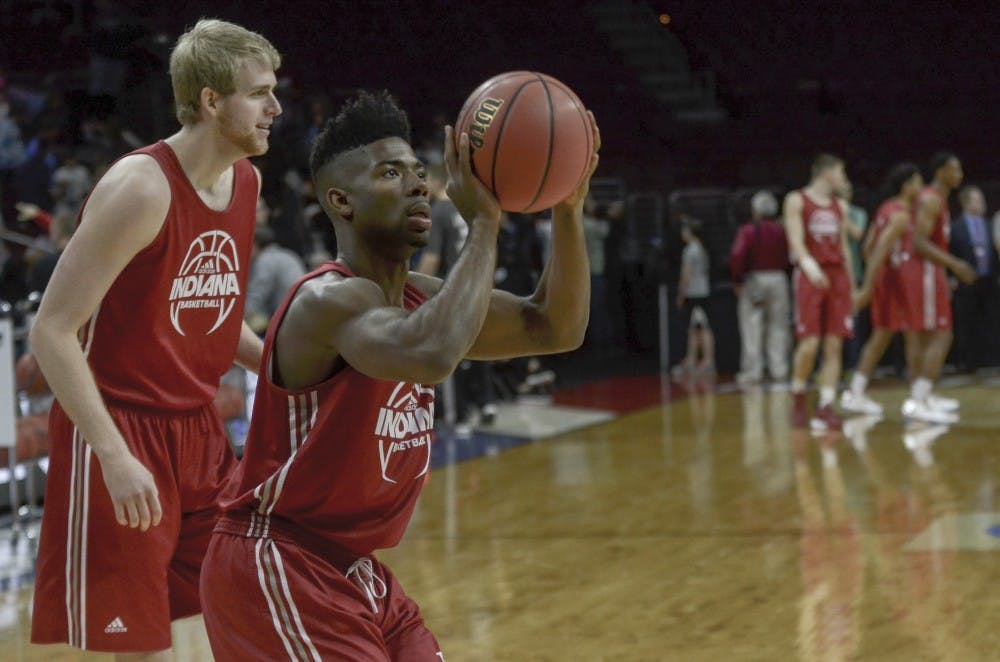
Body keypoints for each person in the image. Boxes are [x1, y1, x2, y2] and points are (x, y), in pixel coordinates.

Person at [199, 90, 599, 659]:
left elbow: (554, 327)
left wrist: (567, 204)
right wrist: (483, 224)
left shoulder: (418, 298)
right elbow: (433, 352)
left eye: (417, 171)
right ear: (342, 200)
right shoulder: (325, 300)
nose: (417, 183)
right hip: (279, 559)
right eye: (391, 173)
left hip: (355, 568)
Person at [30, 19, 282, 659]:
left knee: (218, 614)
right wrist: (112, 456)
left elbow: (215, 323)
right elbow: (52, 331)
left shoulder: (245, 183)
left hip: (197, 430)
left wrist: (302, 371)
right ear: (211, 100)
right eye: (260, 93)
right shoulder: (140, 189)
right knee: (141, 645)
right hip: (119, 425)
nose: (275, 108)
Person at [843, 163, 950, 420]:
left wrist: (874, 278)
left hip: (887, 279)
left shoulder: (885, 209)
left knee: (883, 338)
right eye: (916, 182)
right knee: (912, 336)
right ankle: (917, 398)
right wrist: (869, 286)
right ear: (906, 186)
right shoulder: (901, 215)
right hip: (893, 281)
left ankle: (859, 392)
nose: (921, 188)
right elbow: (879, 249)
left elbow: (867, 246)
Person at [784, 154, 855, 431]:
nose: (843, 178)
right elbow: (795, 239)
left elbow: (846, 248)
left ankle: (826, 405)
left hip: (837, 276)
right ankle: (799, 396)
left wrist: (852, 284)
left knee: (834, 344)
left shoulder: (841, 207)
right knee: (810, 344)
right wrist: (809, 265)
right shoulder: (797, 199)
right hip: (811, 274)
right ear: (827, 174)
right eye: (841, 172)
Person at [906, 153, 976, 421]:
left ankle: (924, 395)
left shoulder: (939, 200)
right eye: (955, 168)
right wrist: (955, 265)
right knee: (940, 334)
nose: (960, 173)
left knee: (928, 335)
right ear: (941, 171)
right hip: (923, 272)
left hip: (930, 272)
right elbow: (919, 243)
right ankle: (918, 400)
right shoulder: (931, 199)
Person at [728, 190, 790, 386]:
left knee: (752, 326)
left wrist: (737, 280)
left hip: (754, 279)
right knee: (779, 325)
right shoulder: (783, 230)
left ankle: (752, 371)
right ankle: (779, 368)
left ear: (755, 211)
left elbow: (737, 256)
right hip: (779, 279)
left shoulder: (748, 230)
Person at [949, 185, 998, 372]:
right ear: (965, 203)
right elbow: (949, 252)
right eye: (977, 200)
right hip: (965, 281)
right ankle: (966, 363)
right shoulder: (955, 226)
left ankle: (989, 360)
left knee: (989, 320)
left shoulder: (989, 224)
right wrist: (951, 277)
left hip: (988, 280)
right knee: (966, 322)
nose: (982, 204)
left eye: (982, 200)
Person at [675, 216, 715, 375]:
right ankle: (691, 359)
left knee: (702, 327)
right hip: (703, 291)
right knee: (695, 328)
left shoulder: (690, 250)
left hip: (695, 293)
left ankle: (707, 360)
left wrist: (681, 294)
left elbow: (686, 274)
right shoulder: (702, 248)